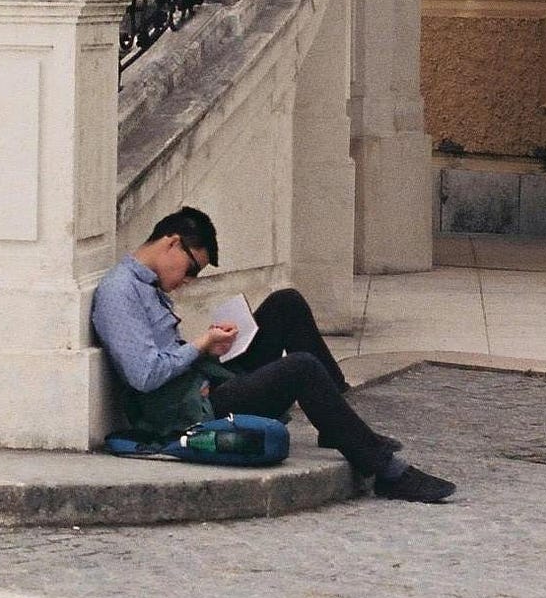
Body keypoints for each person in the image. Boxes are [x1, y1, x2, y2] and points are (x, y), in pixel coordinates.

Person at [90, 205, 456, 504]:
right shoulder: (119, 292)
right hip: (188, 412)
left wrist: (212, 349)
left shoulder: (146, 286)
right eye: (192, 269)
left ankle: (338, 422)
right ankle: (385, 471)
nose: (190, 281)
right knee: (301, 368)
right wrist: (200, 345)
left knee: (286, 303)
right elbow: (143, 374)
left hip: (201, 385)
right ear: (172, 244)